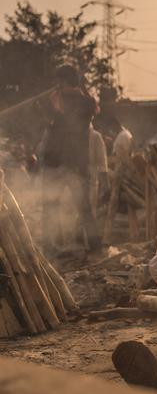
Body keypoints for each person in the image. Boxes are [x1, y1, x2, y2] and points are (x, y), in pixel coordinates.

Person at [40, 65, 103, 253]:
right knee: (84, 208)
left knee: (50, 205)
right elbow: (93, 109)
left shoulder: (58, 99)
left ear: (64, 81)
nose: (55, 84)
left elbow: (54, 115)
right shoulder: (88, 101)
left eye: (58, 80)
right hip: (78, 163)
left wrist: (55, 96)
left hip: (57, 163)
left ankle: (50, 247)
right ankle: (94, 247)